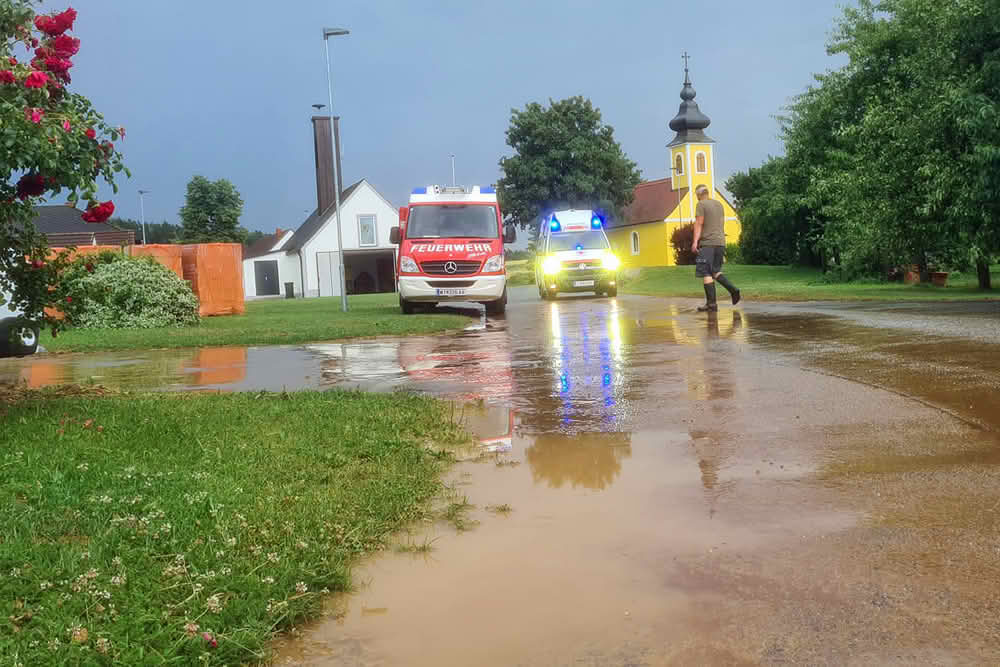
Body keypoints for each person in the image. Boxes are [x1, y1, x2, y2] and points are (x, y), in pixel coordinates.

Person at [690, 184, 740, 312]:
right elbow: (721, 223)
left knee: (706, 272)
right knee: (715, 271)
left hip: (708, 244)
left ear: (699, 195)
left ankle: (711, 304)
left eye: (696, 196)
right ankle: (733, 290)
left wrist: (695, 242)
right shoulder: (719, 204)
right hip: (720, 243)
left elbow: (699, 223)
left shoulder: (701, 204)